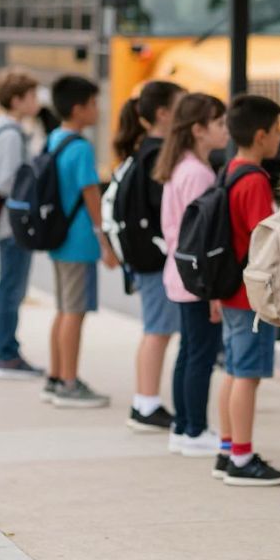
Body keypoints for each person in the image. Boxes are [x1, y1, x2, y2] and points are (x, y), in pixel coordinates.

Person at [214, 94, 280, 486]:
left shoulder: (231, 170)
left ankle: (228, 448)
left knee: (233, 370)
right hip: (251, 295)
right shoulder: (255, 181)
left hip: (229, 289)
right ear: (261, 136)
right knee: (248, 375)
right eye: (277, 131)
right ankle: (242, 457)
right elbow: (267, 241)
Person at [154, 92, 229, 456]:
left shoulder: (179, 166)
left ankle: (185, 426)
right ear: (198, 130)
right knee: (200, 353)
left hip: (178, 270)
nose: (225, 129)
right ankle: (194, 428)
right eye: (218, 123)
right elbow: (204, 236)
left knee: (189, 352)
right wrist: (214, 291)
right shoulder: (198, 173)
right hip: (198, 277)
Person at [42, 76, 119, 408]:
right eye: (93, 103)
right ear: (78, 109)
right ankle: (69, 384)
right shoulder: (82, 147)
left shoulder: (54, 139)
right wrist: (105, 242)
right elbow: (92, 197)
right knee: (75, 312)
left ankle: (57, 376)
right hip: (78, 241)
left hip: (58, 237)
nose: (97, 109)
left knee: (63, 310)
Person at [113, 81, 185, 431]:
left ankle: (145, 400)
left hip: (143, 255)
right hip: (156, 257)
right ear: (163, 113)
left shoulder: (143, 149)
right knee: (157, 330)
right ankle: (146, 403)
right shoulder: (159, 153)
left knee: (154, 329)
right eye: (181, 107)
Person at [0, 69, 44, 378]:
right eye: (32, 96)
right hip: (12, 225)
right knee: (11, 288)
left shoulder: (10, 129)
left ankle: (7, 350)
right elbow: (4, 181)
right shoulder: (9, 133)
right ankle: (7, 354)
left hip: (10, 223)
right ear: (16, 100)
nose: (36, 102)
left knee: (10, 287)